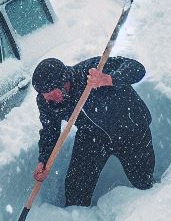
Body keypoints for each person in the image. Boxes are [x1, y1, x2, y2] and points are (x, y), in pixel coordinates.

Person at [31, 55, 154, 208]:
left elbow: (137, 68)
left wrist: (109, 79)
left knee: (143, 182)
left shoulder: (91, 71)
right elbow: (50, 131)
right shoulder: (46, 101)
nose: (50, 100)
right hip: (92, 136)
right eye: (45, 96)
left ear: (64, 82)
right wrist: (43, 160)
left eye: (53, 94)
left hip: (130, 128)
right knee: (76, 189)